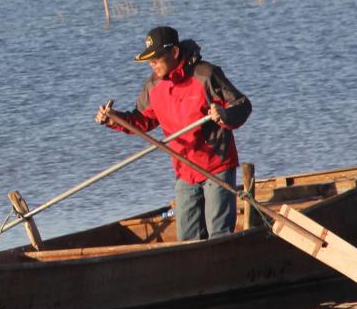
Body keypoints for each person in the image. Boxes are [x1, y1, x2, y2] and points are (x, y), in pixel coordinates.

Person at [95, 25, 251, 241]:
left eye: (157, 58)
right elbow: (143, 120)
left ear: (174, 53)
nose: (152, 64)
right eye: (149, 60)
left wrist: (224, 114)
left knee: (219, 235)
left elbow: (243, 105)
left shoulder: (206, 75)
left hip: (216, 165)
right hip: (184, 169)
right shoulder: (153, 85)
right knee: (187, 238)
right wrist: (113, 119)